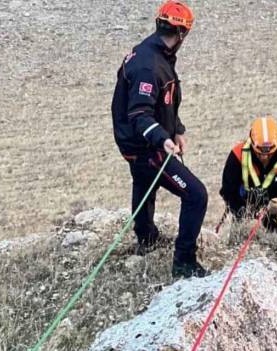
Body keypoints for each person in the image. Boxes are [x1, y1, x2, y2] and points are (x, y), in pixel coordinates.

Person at [111, 1, 208, 278]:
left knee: (143, 183)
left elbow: (162, 103)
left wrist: (176, 128)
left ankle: (147, 238)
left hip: (137, 144)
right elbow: (140, 113)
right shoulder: (149, 66)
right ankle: (184, 262)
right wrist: (161, 139)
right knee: (196, 195)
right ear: (181, 34)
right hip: (145, 146)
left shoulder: (154, 53)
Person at [219, 116, 277, 257]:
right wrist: (246, 214)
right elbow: (227, 192)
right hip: (245, 218)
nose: (265, 157)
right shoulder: (237, 156)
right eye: (259, 153)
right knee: (240, 254)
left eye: (270, 153)